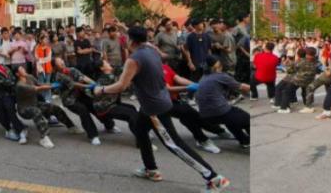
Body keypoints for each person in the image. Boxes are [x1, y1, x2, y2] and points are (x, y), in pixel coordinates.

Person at [91, 25, 229, 190]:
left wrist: (101, 89)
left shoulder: (134, 59)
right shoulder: (152, 51)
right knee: (140, 131)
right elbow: (152, 48)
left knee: (174, 144)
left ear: (131, 40)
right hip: (152, 104)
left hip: (154, 107)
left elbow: (122, 86)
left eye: (126, 37)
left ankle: (214, 178)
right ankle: (151, 169)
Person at [194, 55, 250, 147]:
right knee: (246, 118)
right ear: (217, 66)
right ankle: (247, 141)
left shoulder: (202, 78)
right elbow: (242, 87)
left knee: (232, 118)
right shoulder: (221, 76)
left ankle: (244, 141)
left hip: (205, 115)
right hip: (220, 111)